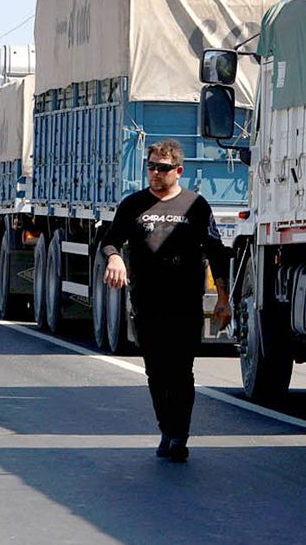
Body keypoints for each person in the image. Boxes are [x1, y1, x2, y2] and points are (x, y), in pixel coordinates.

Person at [100, 139, 231, 463]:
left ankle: (179, 435)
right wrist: (115, 258)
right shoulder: (133, 205)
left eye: (163, 168)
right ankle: (166, 427)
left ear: (178, 171)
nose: (156, 174)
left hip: (185, 301)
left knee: (182, 370)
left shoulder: (195, 205)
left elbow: (216, 252)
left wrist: (224, 299)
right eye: (151, 167)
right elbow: (111, 241)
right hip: (147, 301)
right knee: (157, 371)